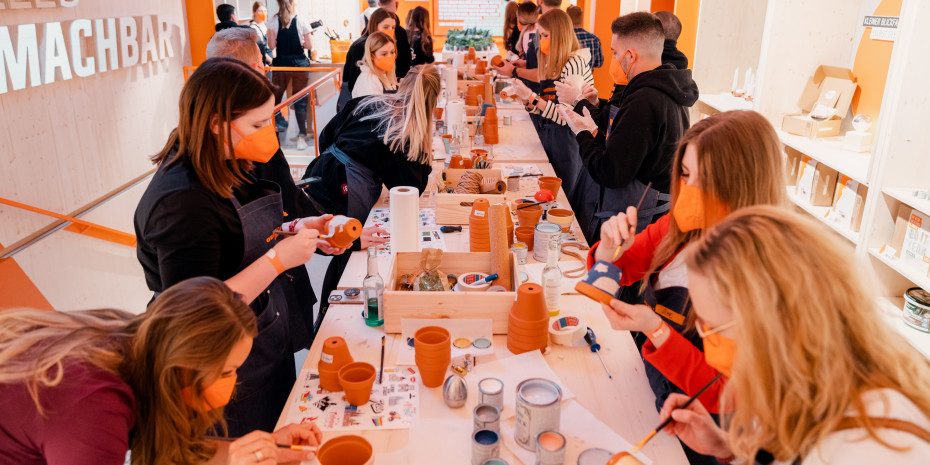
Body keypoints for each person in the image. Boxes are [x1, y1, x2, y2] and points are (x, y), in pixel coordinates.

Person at [134, 58, 345, 436]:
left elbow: (238, 238)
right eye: (258, 125)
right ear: (217, 123)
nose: (270, 134)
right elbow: (194, 308)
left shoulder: (232, 159)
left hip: (262, 336)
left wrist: (294, 227)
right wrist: (278, 260)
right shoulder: (180, 202)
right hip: (216, 363)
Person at [586, 110, 787, 465]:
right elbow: (612, 275)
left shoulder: (762, 277)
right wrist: (608, 248)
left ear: (744, 184)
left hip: (703, 426)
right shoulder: (678, 230)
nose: (689, 191)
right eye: (685, 174)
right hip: (653, 391)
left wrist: (656, 330)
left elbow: (727, 393)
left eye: (705, 180)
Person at [662, 207, 930, 465]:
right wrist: (727, 445)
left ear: (769, 326)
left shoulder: (875, 448)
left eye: (710, 326)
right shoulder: (796, 384)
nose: (704, 338)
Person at [0, 276, 323, 465]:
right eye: (227, 371)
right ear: (183, 364)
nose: (234, 382)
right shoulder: (94, 406)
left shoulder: (143, 344)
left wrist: (267, 449)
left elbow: (172, 452)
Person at [303, 64, 440, 311]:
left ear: (402, 83)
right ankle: (332, 313)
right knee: (349, 252)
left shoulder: (368, 102)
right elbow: (408, 190)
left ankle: (327, 311)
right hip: (345, 188)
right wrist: (425, 159)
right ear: (434, 100)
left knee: (342, 244)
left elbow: (326, 136)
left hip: (320, 172)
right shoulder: (403, 132)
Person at [559, 12, 698, 244]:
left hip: (633, 225)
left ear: (631, 55)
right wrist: (594, 131)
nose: (613, 58)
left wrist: (582, 132)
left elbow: (610, 172)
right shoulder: (665, 87)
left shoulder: (644, 100)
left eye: (615, 52)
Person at [507, 9, 593, 200]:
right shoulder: (555, 63)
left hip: (566, 141)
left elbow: (566, 117)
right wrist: (529, 102)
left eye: (545, 36)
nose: (542, 41)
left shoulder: (574, 64)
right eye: (540, 36)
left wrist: (532, 98)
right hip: (550, 134)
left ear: (560, 35)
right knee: (546, 194)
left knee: (561, 197)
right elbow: (548, 102)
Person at [267, 0, 313, 151]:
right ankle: (301, 138)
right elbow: (309, 45)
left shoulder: (273, 20)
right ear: (292, 3)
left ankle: (273, 138)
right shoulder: (301, 20)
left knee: (276, 101)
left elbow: (271, 46)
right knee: (300, 101)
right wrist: (301, 42)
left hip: (281, 64)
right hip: (299, 64)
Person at [337, 8, 395, 112]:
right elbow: (354, 81)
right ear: (375, 26)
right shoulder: (361, 46)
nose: (390, 31)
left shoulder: (384, 45)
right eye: (386, 27)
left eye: (393, 27)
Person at [493, 1, 540, 94]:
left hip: (535, 89)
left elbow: (540, 72)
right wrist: (525, 63)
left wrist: (514, 70)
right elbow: (537, 63)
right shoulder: (533, 32)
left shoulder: (528, 35)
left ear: (519, 19)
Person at [353, 32, 399, 98]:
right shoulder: (368, 81)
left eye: (392, 52)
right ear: (372, 56)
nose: (390, 57)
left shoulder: (385, 75)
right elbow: (374, 104)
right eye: (384, 54)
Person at [378, 0, 411, 79]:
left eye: (392, 27)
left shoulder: (366, 32)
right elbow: (405, 64)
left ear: (379, 4)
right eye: (385, 27)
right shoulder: (400, 32)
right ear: (396, 4)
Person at [250, 1, 273, 66]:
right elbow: (259, 49)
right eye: (260, 11)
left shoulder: (266, 25)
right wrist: (271, 61)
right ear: (254, 12)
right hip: (264, 62)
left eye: (265, 11)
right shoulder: (253, 28)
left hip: (271, 59)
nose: (263, 13)